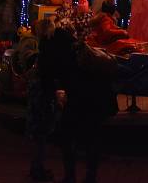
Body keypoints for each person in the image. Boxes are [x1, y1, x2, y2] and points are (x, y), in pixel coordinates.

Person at [38, 24, 117, 183]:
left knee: (68, 135)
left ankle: (71, 176)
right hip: (98, 99)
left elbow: (49, 75)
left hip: (84, 99)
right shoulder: (78, 49)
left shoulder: (60, 53)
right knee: (90, 138)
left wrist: (53, 95)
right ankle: (89, 175)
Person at [26, 18, 57, 182]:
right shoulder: (47, 49)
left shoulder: (42, 48)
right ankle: (37, 168)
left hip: (36, 93)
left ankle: (36, 166)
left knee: (38, 134)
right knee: (41, 134)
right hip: (42, 94)